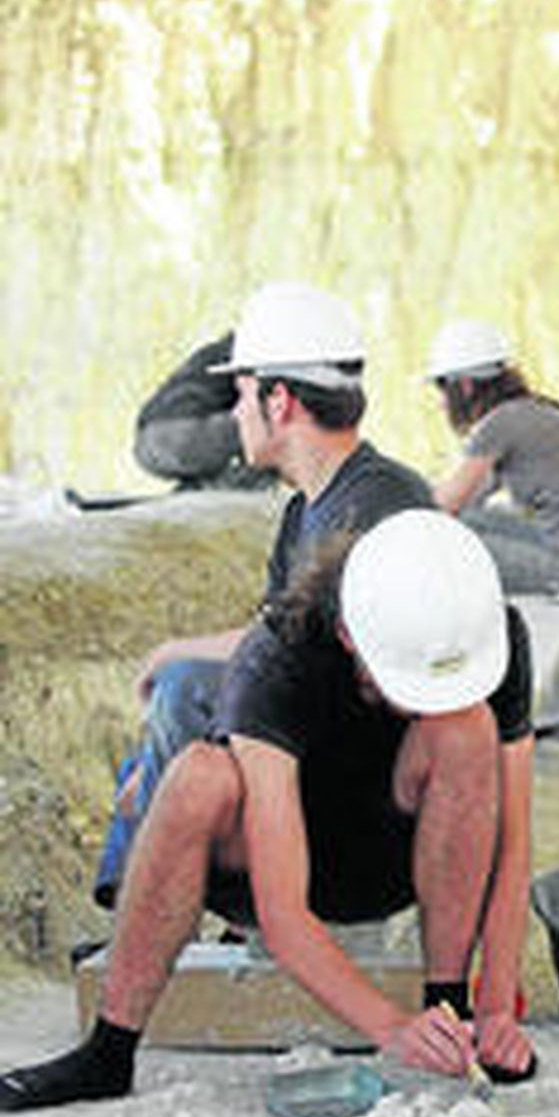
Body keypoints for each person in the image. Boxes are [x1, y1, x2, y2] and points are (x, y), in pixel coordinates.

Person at [1, 510, 537, 1111]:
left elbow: (512, 846)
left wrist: (495, 1010)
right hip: (277, 866)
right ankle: (108, 1050)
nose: (419, 703)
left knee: (465, 728)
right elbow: (283, 914)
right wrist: (389, 1027)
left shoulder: (488, 633)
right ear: (349, 639)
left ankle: (450, 1008)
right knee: (196, 778)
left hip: (400, 854)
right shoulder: (279, 653)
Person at [94, 282, 435, 908]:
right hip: (317, 740)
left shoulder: (377, 504)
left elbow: (310, 669)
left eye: (242, 395)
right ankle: (138, 900)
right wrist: (178, 652)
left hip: (357, 791)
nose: (236, 415)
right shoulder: (311, 508)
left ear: (279, 401)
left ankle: (146, 906)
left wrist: (183, 670)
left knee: (183, 692)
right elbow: (275, 638)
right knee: (160, 735)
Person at [425, 318, 559, 602]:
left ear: (466, 385)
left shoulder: (499, 424)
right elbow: (469, 500)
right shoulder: (533, 411)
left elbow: (442, 507)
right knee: (474, 521)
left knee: (444, 545)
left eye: (441, 388)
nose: (441, 402)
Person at [132, 332, 274, 491]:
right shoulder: (269, 346)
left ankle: (197, 494)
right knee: (281, 429)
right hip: (181, 433)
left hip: (151, 439)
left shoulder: (245, 339)